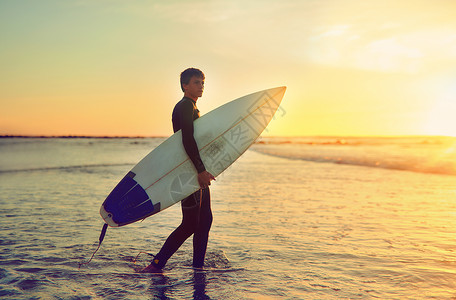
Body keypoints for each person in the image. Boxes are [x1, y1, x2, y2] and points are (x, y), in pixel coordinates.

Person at [140, 68, 215, 273]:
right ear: (185, 85)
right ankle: (156, 265)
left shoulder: (191, 106)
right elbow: (187, 139)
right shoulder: (184, 106)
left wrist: (206, 167)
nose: (201, 86)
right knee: (191, 223)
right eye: (197, 82)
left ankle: (198, 267)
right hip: (188, 171)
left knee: (205, 220)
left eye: (202, 83)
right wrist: (200, 170)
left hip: (195, 168)